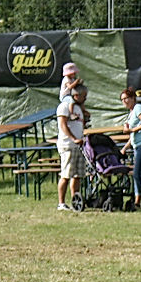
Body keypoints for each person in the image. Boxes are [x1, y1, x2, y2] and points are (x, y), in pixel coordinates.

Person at [56, 82, 88, 211]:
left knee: (77, 175)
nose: (85, 98)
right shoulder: (64, 106)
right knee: (66, 174)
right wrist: (73, 138)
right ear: (76, 95)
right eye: (83, 95)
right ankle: (61, 203)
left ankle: (75, 200)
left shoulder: (78, 108)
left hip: (79, 145)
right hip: (68, 145)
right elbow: (63, 125)